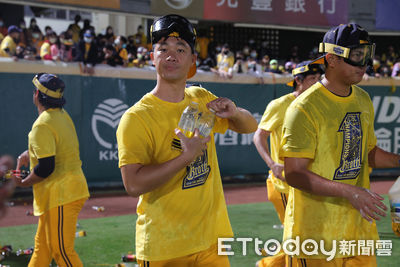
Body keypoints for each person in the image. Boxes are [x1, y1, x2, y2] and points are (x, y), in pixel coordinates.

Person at [116, 14, 257, 267]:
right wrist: (186, 158)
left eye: (181, 49)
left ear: (193, 60)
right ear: (152, 57)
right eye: (163, 49)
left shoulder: (201, 97)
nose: (172, 55)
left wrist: (234, 112)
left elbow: (250, 126)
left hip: (211, 241)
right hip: (164, 246)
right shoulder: (136, 117)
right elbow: (133, 184)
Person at [280, 23, 400, 266]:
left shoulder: (363, 99)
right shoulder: (303, 108)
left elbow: (367, 153)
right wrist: (349, 192)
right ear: (332, 59)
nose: (365, 63)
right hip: (316, 237)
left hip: (358, 232)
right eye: (357, 56)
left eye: (367, 55)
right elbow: (294, 174)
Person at [11, 73, 90, 266]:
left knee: (61, 250)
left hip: (61, 195)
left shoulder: (42, 124)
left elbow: (46, 167)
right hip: (63, 193)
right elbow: (54, 149)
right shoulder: (61, 115)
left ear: (37, 94)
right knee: (42, 249)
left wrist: (23, 182)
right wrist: (28, 154)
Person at [253, 60, 324, 267]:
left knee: (301, 234)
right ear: (298, 81)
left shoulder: (316, 105)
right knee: (298, 236)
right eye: (312, 79)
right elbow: (258, 137)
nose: (317, 84)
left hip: (305, 184)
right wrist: (272, 164)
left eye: (319, 79)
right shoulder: (279, 105)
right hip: (284, 184)